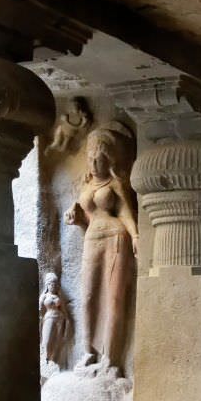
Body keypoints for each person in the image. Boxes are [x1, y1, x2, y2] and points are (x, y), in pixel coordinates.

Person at [64, 127, 138, 374]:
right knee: (87, 297)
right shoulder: (85, 187)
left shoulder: (115, 183)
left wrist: (136, 235)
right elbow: (87, 221)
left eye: (101, 157)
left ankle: (110, 357)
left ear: (110, 159)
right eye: (91, 157)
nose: (95, 163)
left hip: (116, 236)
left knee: (113, 297)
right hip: (92, 238)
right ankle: (88, 351)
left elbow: (126, 212)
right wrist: (77, 221)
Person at [39, 272, 71, 367]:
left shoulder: (58, 296)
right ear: (47, 285)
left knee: (58, 340)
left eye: (55, 284)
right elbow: (40, 308)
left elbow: (64, 309)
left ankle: (54, 360)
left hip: (60, 319)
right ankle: (47, 357)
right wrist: (40, 316)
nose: (53, 286)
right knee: (47, 339)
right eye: (51, 284)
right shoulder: (44, 296)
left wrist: (67, 320)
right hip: (49, 318)